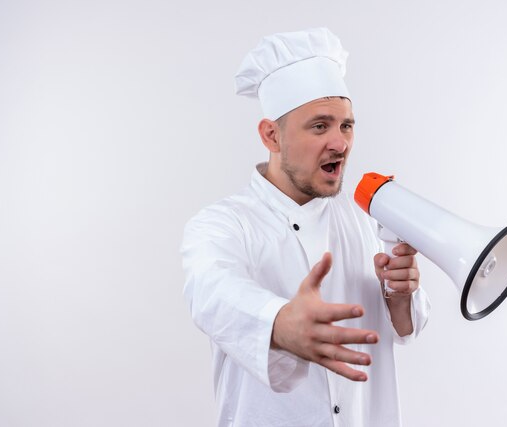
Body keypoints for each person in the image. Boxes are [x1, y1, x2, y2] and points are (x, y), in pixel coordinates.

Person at [181, 27, 430, 427]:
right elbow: (212, 292)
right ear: (271, 135)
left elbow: (406, 330)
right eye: (320, 126)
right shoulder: (221, 225)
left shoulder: (366, 218)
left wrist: (399, 296)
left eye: (347, 126)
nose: (341, 143)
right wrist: (280, 324)